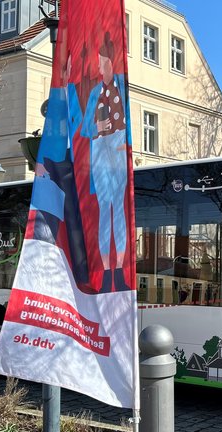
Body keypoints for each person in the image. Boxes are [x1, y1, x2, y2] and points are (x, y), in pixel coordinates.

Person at [81, 32, 130, 292]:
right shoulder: (96, 93)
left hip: (118, 149)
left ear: (111, 62)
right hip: (100, 152)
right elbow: (84, 128)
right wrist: (97, 124)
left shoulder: (123, 88)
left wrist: (126, 144)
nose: (99, 67)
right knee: (103, 211)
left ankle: (119, 272)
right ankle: (107, 274)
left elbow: (129, 124)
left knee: (118, 210)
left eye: (102, 62)